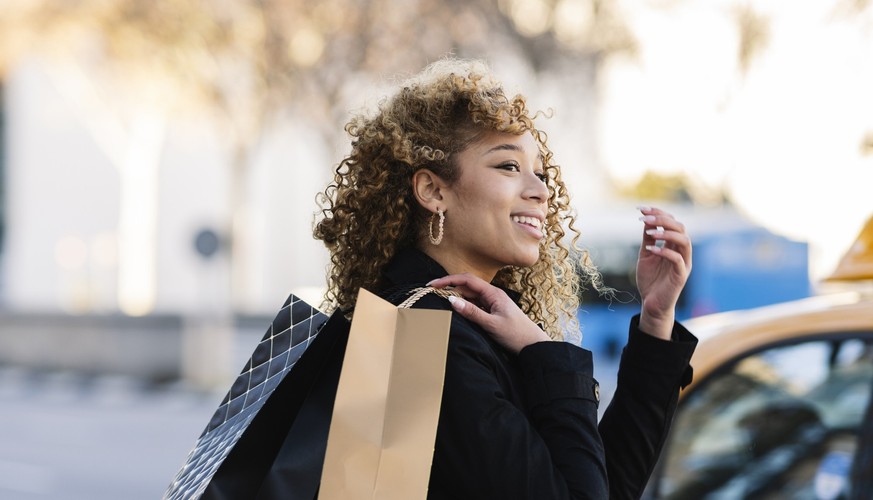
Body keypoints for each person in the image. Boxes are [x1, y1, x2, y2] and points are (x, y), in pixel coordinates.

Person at [313, 59, 697, 499]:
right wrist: (542, 352)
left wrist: (656, 318)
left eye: (541, 171)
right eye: (508, 167)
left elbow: (605, 487)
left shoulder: (465, 326)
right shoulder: (429, 338)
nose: (541, 190)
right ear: (433, 191)